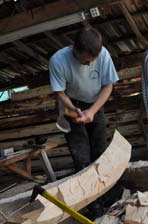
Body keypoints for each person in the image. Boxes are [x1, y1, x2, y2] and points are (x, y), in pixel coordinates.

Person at [49, 27, 119, 172]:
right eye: (86, 61)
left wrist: (92, 111)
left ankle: (106, 187)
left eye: (92, 61)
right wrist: (73, 109)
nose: (89, 64)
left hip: (95, 103)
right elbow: (59, 93)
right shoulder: (57, 61)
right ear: (75, 49)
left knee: (99, 146)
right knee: (80, 152)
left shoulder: (104, 55)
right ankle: (85, 181)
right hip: (71, 104)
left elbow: (108, 86)